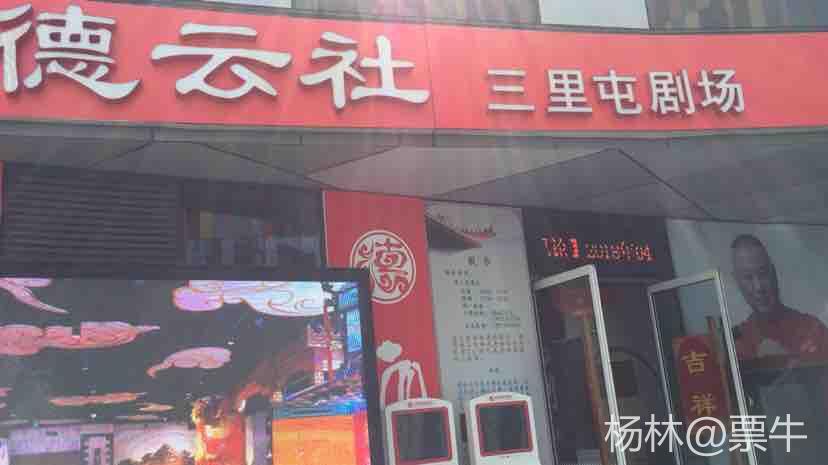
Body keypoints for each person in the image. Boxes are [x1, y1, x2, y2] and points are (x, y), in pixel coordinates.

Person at [730, 234, 828, 360]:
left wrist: (784, 359)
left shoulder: (812, 329)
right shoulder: (736, 344)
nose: (758, 287)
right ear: (737, 281)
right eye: (748, 277)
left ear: (773, 273)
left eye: (762, 273)